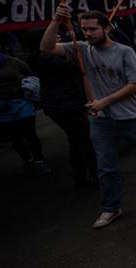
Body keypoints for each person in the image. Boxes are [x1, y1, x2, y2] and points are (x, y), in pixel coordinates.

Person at [41, 5, 136, 228]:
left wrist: (104, 101)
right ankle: (110, 207)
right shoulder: (81, 50)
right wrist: (56, 21)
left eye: (92, 29)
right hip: (101, 120)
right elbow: (47, 47)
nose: (88, 34)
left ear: (106, 28)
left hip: (131, 116)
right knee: (106, 165)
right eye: (84, 29)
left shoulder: (124, 51)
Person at [35, 34, 97, 186]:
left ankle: (80, 175)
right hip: (64, 105)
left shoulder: (50, 56)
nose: (58, 37)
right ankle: (96, 174)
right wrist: (78, 52)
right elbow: (74, 65)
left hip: (67, 102)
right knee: (86, 139)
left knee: (76, 140)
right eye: (53, 35)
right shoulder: (45, 57)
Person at [0, 34, 50, 175]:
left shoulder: (12, 62)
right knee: (15, 137)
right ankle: (27, 161)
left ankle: (39, 161)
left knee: (30, 134)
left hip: (20, 103)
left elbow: (30, 74)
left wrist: (28, 86)